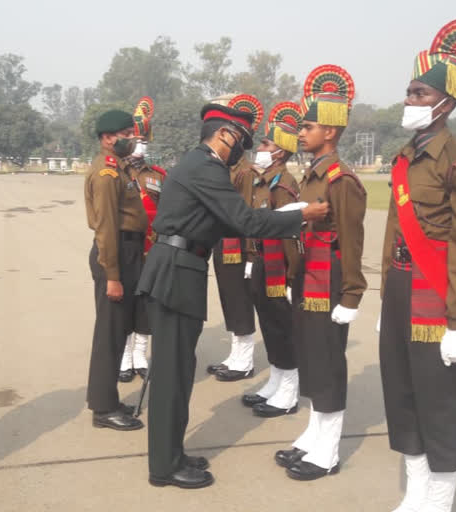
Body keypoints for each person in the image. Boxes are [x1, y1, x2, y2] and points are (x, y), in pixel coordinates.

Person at [136, 103, 329, 489]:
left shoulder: (196, 165)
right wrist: (302, 215)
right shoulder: (206, 168)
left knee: (177, 371)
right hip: (177, 272)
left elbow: (228, 222)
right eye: (240, 140)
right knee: (173, 377)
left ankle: (172, 453)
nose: (242, 149)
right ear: (223, 134)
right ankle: (164, 467)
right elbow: (246, 221)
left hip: (178, 267)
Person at [380, 19, 456, 512]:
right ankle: (417, 491)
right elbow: (393, 234)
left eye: (419, 93)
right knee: (401, 393)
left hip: (436, 293)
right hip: (402, 287)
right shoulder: (405, 157)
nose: (410, 100)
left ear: (445, 103)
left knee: (438, 400)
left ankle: (441, 499)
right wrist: (386, 296)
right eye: (408, 91)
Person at [274, 65, 367, 481]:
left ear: (330, 132)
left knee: (327, 364)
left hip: (328, 284)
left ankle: (327, 451)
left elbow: (351, 240)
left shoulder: (340, 179)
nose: (301, 132)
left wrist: (351, 296)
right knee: (311, 360)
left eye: (308, 126)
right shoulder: (312, 175)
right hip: (307, 278)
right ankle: (314, 434)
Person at [84, 109, 148, 431]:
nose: (131, 139)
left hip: (128, 252)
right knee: (109, 335)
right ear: (107, 138)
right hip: (117, 254)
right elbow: (106, 227)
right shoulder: (107, 174)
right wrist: (113, 276)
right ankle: (103, 408)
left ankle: (108, 400)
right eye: (124, 134)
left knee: (118, 332)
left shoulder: (120, 169)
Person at [240, 102, 303, 418]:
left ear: (280, 152)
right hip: (262, 263)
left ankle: (289, 390)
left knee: (282, 327)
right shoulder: (261, 181)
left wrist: (293, 277)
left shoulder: (285, 184)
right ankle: (276, 381)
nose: (261, 147)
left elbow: (292, 234)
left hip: (280, 268)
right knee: (269, 323)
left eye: (266, 144)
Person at [206, 94, 264, 382]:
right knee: (229, 299)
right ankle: (235, 354)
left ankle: (244, 360)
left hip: (239, 248)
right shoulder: (226, 169)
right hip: (223, 244)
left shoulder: (244, 172)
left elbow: (247, 216)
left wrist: (252, 255)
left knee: (240, 301)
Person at [119, 97, 165, 383]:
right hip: (126, 250)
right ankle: (123, 357)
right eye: (136, 139)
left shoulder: (159, 175)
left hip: (152, 251)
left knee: (147, 304)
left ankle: (140, 354)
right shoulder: (117, 174)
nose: (141, 144)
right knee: (124, 303)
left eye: (144, 140)